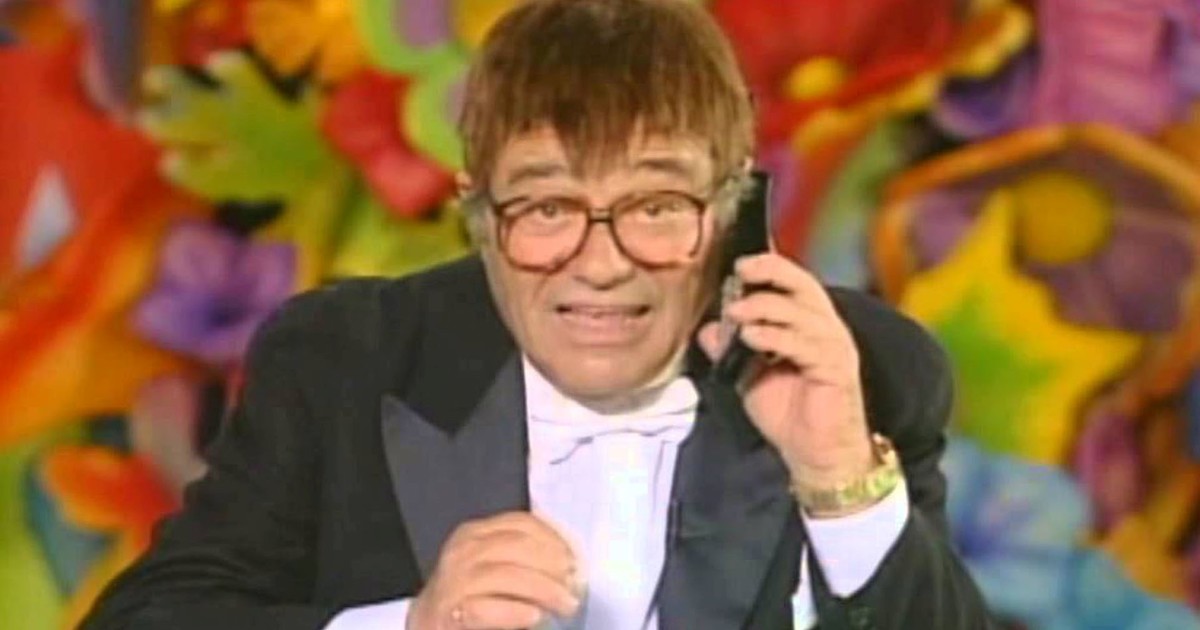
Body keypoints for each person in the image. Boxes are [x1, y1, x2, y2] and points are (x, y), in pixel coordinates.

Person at [79, 0, 995, 628]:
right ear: (479, 215)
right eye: (548, 207)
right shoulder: (345, 360)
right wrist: (409, 625)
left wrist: (839, 481)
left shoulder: (863, 370)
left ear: (729, 213)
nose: (601, 263)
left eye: (655, 206)